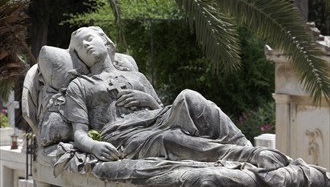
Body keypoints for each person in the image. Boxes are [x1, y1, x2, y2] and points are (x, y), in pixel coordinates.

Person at [64, 26, 290, 169]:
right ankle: (246, 155)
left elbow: (164, 110)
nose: (85, 45)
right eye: (80, 47)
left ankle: (242, 143)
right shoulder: (80, 85)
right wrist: (94, 147)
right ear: (78, 58)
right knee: (168, 139)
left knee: (189, 95)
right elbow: (79, 133)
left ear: (105, 41)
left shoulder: (136, 76)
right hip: (125, 135)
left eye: (89, 38)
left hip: (157, 118)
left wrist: (147, 100)